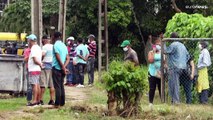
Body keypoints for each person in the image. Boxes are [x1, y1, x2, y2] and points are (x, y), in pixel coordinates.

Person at [164, 32, 189, 104]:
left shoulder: (173, 45)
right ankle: (174, 100)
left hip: (174, 67)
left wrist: (164, 43)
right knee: (175, 83)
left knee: (174, 84)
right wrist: (182, 62)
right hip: (182, 67)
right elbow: (187, 56)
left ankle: (176, 101)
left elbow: (165, 51)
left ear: (171, 38)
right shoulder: (182, 45)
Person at [52, 32, 70, 107]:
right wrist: (64, 67)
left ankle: (57, 103)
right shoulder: (64, 45)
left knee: (57, 86)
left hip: (57, 68)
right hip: (62, 69)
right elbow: (68, 58)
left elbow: (57, 56)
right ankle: (62, 102)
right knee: (61, 85)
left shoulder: (55, 45)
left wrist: (62, 67)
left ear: (54, 37)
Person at [27, 34, 42, 106]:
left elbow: (35, 60)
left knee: (34, 85)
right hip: (37, 69)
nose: (28, 42)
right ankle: (38, 100)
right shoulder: (39, 47)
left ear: (30, 40)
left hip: (33, 69)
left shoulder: (33, 48)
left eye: (28, 40)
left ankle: (34, 100)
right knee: (37, 84)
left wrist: (40, 64)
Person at [39, 35, 55, 105]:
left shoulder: (44, 47)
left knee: (43, 84)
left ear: (44, 40)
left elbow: (43, 54)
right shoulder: (53, 46)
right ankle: (52, 99)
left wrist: (40, 61)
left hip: (45, 66)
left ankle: (41, 100)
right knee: (51, 85)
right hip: (52, 66)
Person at [147, 37, 161, 107]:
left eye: (160, 44)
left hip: (160, 73)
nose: (159, 45)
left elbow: (165, 61)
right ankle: (150, 102)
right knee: (152, 88)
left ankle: (162, 102)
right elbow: (150, 60)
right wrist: (154, 52)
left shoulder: (162, 52)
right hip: (152, 72)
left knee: (160, 87)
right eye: (157, 44)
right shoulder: (151, 52)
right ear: (154, 45)